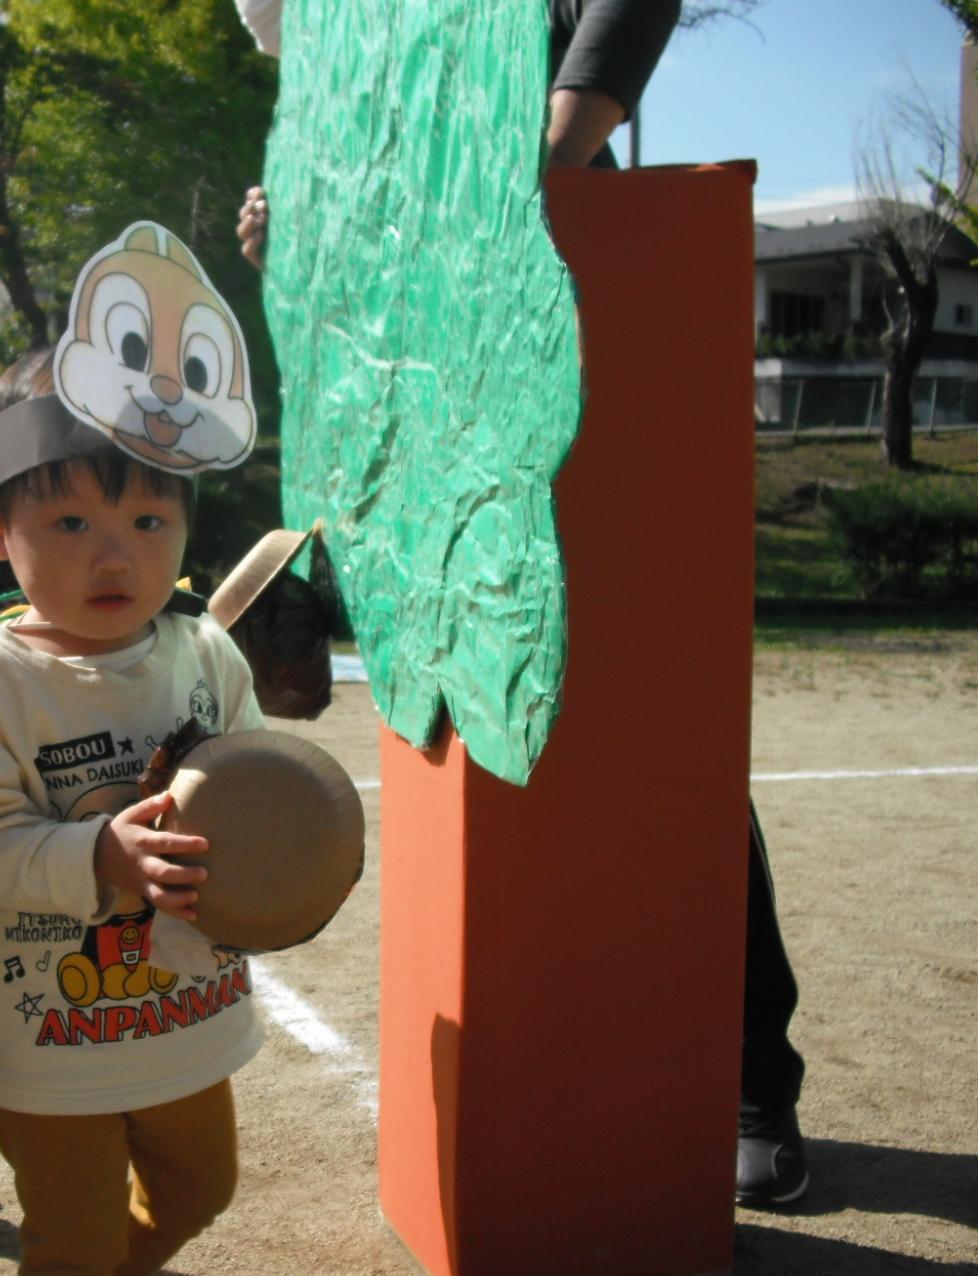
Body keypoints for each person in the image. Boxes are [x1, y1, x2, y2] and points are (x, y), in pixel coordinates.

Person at [230, 0, 811, 1208]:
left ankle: (751, 1075)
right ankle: (560, 1064)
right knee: (491, 738)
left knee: (657, 735)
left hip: (601, 342)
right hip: (460, 448)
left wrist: (544, 155)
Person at [0, 346, 267, 1276]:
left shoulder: (203, 653)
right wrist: (98, 853)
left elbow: (256, 789)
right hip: (54, 1033)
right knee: (66, 1237)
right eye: (68, 523)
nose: (113, 550)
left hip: (182, 1002)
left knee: (197, 1191)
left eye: (143, 518)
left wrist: (274, 851)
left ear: (185, 526)